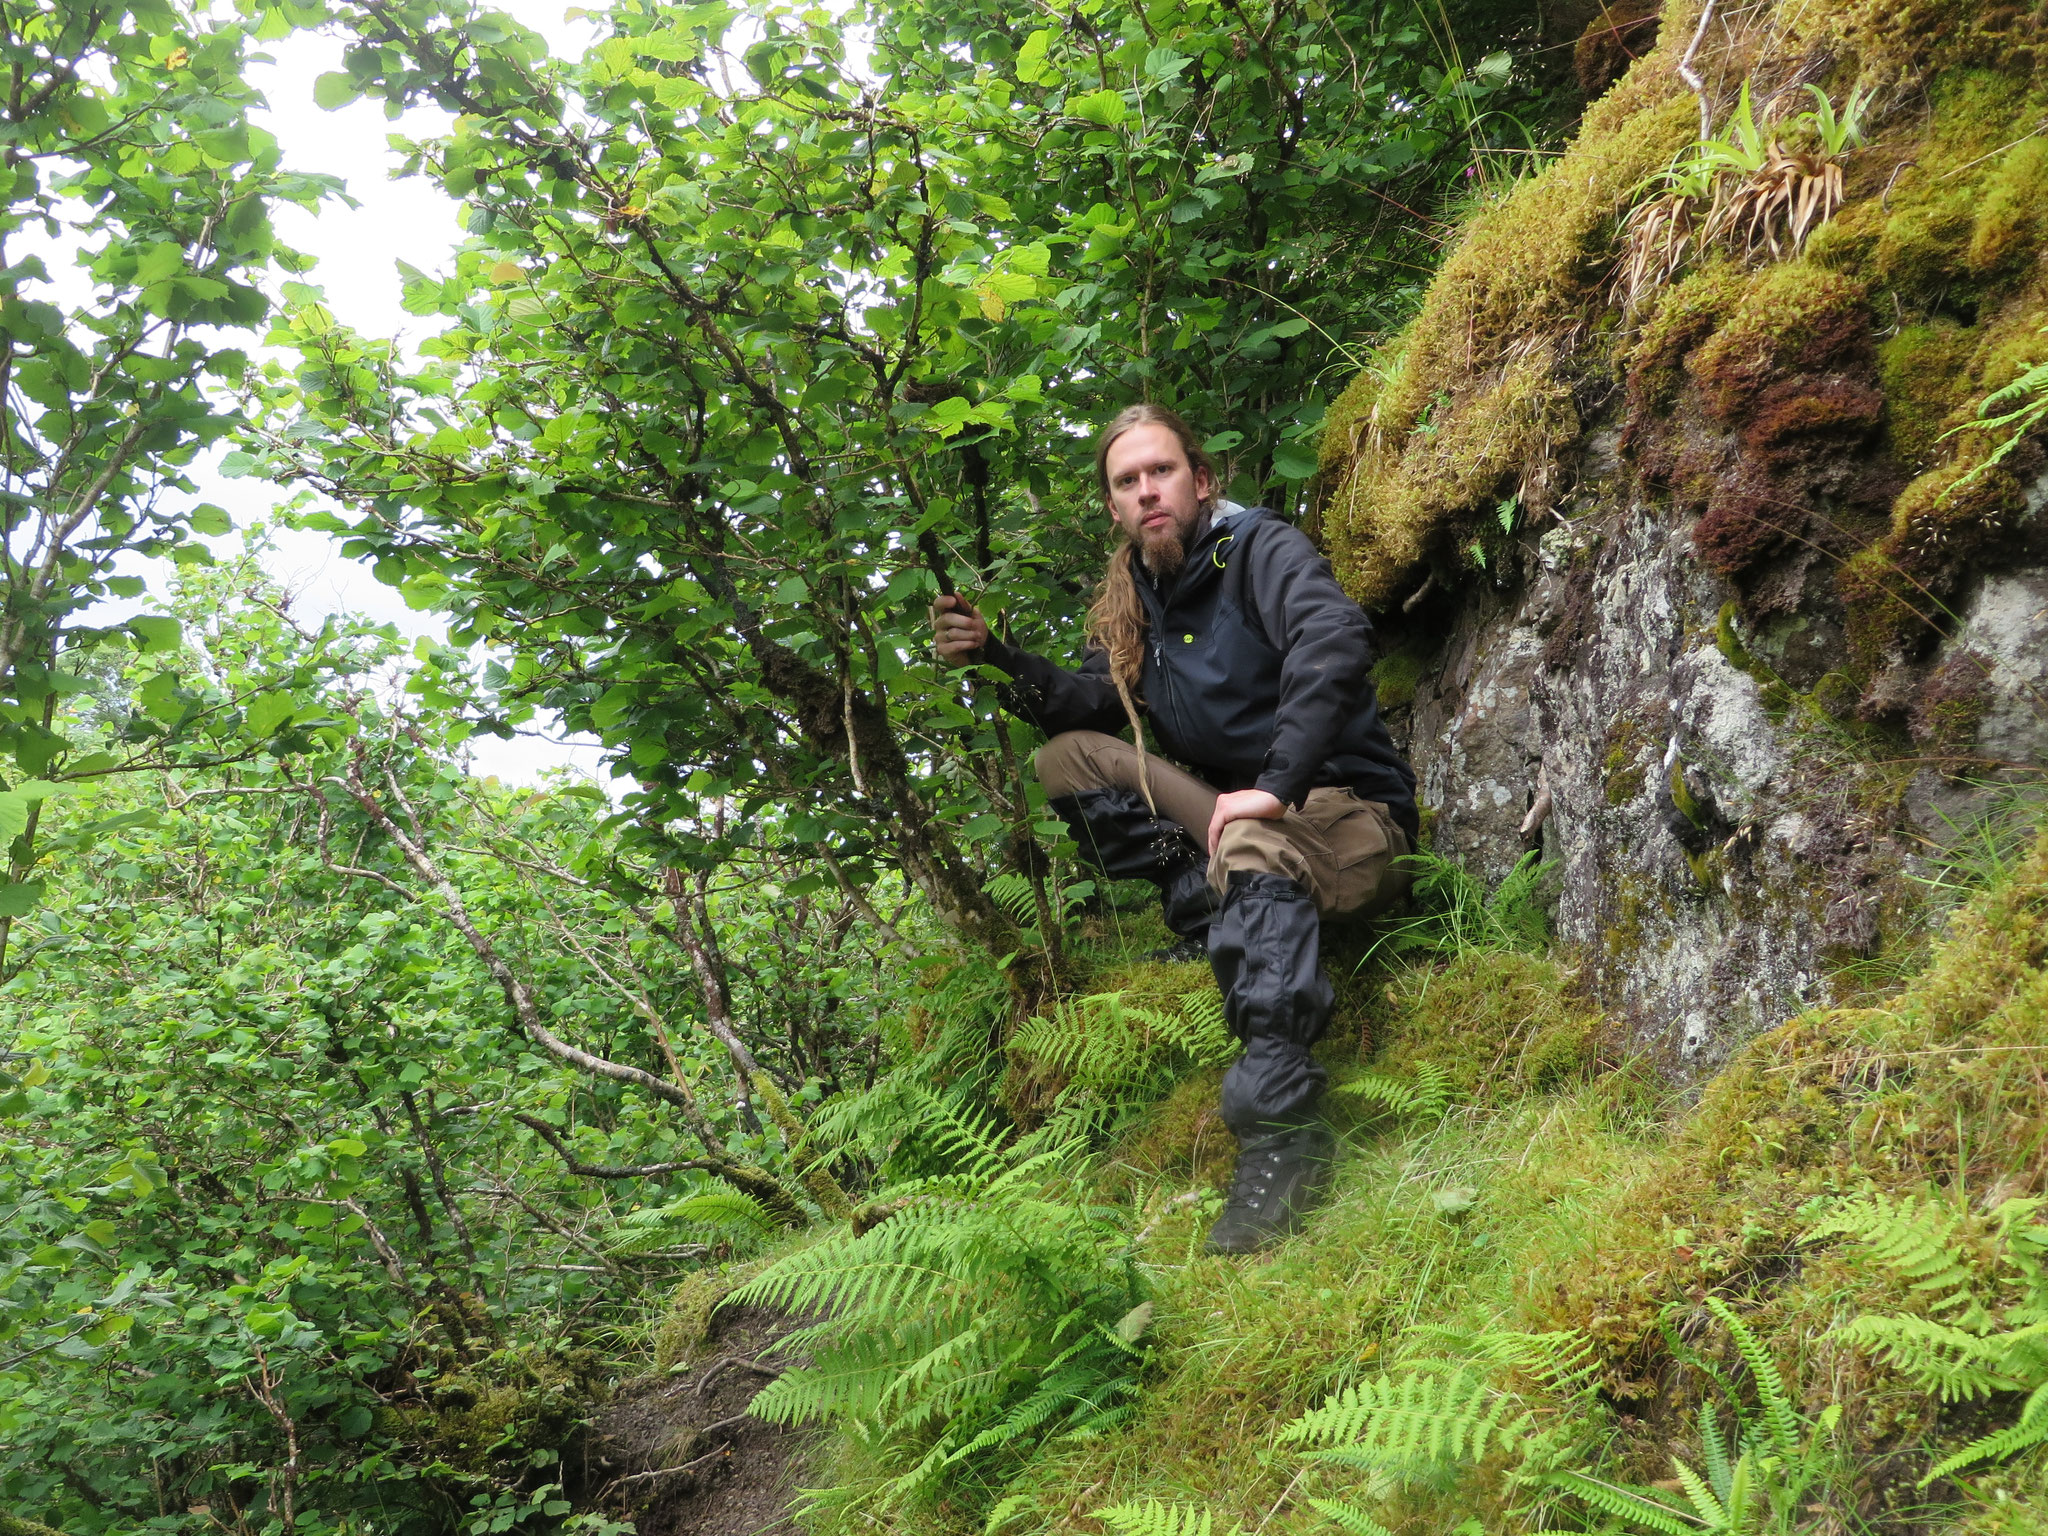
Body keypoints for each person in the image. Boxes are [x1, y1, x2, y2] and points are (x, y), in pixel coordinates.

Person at [931, 403, 1419, 1254]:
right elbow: (1089, 705)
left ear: (1201, 479)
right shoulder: (1141, 600)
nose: (1148, 491)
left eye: (1161, 472)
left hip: (1343, 817)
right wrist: (997, 655)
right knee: (1068, 762)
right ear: (1114, 507)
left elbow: (1333, 637)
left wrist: (1273, 787)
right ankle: (1208, 918)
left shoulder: (1258, 549)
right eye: (1128, 481)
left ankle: (1281, 1134)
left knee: (1252, 839)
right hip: (1238, 825)